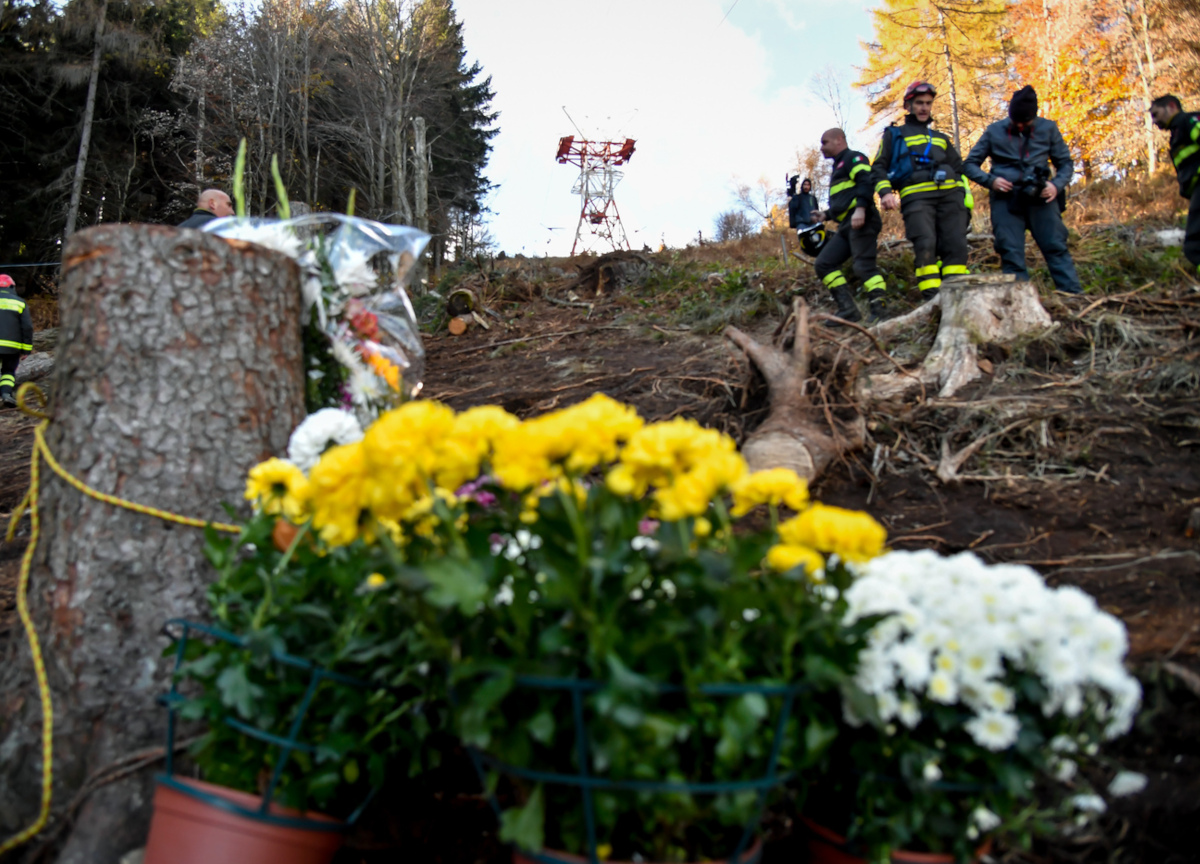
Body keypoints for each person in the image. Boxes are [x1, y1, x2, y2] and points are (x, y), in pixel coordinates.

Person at [963, 86, 1082, 295]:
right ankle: (1019, 301)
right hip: (1006, 201)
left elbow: (1065, 163)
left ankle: (1072, 296)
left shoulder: (1048, 129)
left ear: (1033, 117)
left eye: (1024, 122)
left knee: (1056, 247)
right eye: (1015, 121)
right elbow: (969, 164)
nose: (1019, 126)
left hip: (1041, 197)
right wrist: (991, 181)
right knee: (1010, 252)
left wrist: (1056, 185)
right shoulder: (994, 131)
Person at [872, 81, 971, 298]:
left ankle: (956, 298)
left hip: (950, 198)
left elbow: (959, 169)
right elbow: (878, 167)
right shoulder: (895, 135)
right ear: (908, 106)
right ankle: (932, 300)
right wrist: (885, 193)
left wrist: (964, 198)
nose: (924, 107)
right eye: (919, 103)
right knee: (926, 245)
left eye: (928, 103)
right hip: (916, 199)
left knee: (956, 245)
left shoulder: (941, 138)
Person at [812, 127, 888, 324]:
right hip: (846, 225)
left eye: (824, 142)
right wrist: (825, 215)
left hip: (863, 220)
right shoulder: (838, 167)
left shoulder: (854, 158)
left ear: (839, 140)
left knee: (863, 266)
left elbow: (866, 182)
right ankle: (848, 310)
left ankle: (880, 311)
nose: (821, 148)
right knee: (823, 264)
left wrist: (861, 209)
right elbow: (844, 200)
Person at [1149, 94, 1200, 273]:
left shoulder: (1188, 121)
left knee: (1195, 244)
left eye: (1156, 114)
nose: (1154, 121)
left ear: (1171, 106)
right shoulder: (1177, 132)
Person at [0, 274, 33, 408]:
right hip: (11, 348)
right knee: (8, 372)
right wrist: (26, 350)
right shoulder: (20, 302)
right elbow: (27, 327)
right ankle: (6, 394)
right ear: (11, 287)